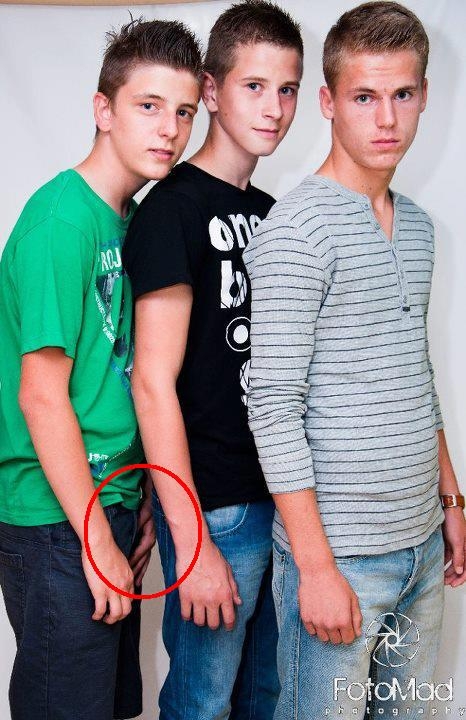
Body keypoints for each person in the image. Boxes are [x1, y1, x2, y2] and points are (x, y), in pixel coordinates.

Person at [243, 2, 466, 718]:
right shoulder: (297, 230)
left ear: (424, 96)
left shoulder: (421, 229)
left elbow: (415, 373)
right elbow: (272, 406)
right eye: (364, 97)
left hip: (421, 550)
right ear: (328, 102)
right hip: (340, 559)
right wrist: (314, 568)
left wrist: (450, 500)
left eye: (402, 94)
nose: (386, 118)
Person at [0, 18, 202, 720]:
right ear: (103, 109)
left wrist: (136, 494)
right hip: (57, 515)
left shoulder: (131, 219)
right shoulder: (62, 222)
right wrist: (93, 538)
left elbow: (122, 372)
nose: (169, 129)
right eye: (149, 105)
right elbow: (42, 396)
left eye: (184, 112)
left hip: (106, 500)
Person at [122, 2, 303, 717]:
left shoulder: (272, 213)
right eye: (254, 86)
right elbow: (151, 383)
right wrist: (192, 538)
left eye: (286, 89)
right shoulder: (172, 209)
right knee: (201, 704)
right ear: (213, 90)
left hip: (281, 498)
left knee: (266, 698)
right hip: (214, 505)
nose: (274, 108)